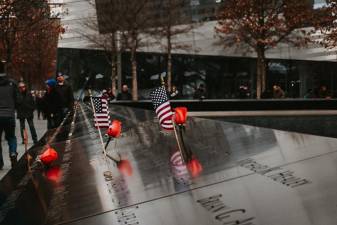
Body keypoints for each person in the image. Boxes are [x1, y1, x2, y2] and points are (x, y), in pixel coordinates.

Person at [0, 73, 18, 168]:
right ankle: (13, 153)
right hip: (9, 115)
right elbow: (17, 98)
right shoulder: (12, 83)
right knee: (11, 137)